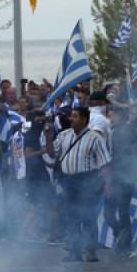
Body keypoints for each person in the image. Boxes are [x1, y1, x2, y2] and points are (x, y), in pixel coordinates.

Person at [50, 106, 111, 262]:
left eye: (75, 116)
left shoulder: (95, 138)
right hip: (68, 181)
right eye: (71, 116)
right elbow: (52, 152)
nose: (71, 119)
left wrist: (107, 184)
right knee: (71, 217)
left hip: (87, 181)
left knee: (88, 216)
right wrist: (48, 134)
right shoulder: (64, 135)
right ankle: (74, 251)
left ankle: (91, 250)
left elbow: (104, 163)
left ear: (84, 119)